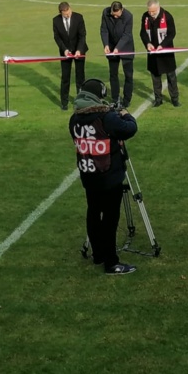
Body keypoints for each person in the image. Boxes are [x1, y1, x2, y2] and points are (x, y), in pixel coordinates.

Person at [70, 78, 139, 275]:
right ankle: (111, 262)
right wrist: (126, 114)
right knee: (110, 218)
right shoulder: (106, 117)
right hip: (109, 176)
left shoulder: (74, 118)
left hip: (88, 173)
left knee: (93, 213)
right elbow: (130, 129)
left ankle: (98, 254)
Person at [139, 0, 180, 108]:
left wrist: (163, 45)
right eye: (149, 11)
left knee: (171, 76)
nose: (151, 14)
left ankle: (175, 99)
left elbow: (172, 33)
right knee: (155, 77)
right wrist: (147, 44)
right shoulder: (145, 17)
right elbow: (143, 32)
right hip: (153, 53)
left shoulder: (167, 16)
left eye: (153, 11)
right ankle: (158, 99)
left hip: (166, 52)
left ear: (158, 8)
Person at [53, 2, 88, 111]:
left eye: (69, 13)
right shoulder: (56, 20)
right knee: (65, 78)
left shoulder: (78, 17)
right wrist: (65, 50)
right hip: (65, 53)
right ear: (61, 12)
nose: (68, 15)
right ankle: (64, 102)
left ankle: (81, 102)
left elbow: (82, 35)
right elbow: (57, 37)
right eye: (65, 14)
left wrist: (79, 50)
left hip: (79, 51)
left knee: (80, 77)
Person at [100, 1, 135, 108]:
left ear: (122, 10)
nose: (115, 16)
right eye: (113, 14)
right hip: (111, 47)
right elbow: (104, 30)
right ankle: (115, 98)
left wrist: (118, 48)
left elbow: (127, 35)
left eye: (117, 14)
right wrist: (106, 44)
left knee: (128, 75)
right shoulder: (105, 13)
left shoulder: (128, 16)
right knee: (113, 74)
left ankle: (127, 99)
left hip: (126, 48)